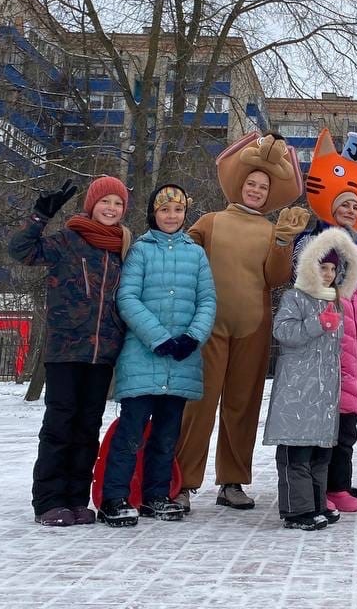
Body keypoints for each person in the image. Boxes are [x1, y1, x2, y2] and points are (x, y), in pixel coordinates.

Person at [174, 133, 310, 513]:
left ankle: (232, 481)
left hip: (254, 326)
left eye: (262, 186)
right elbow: (181, 259)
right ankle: (182, 482)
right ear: (240, 184)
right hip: (209, 326)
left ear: (269, 194)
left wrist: (283, 241)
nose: (255, 190)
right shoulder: (210, 221)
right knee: (198, 404)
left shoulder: (271, 230)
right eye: (251, 183)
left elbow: (276, 278)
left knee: (242, 404)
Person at [8, 175, 132, 527]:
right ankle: (48, 501)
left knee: (87, 428)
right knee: (59, 426)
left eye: (118, 203)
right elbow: (21, 251)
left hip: (104, 352)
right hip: (65, 350)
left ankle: (76, 499)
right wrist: (38, 217)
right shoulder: (67, 241)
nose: (111, 208)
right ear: (91, 205)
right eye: (105, 201)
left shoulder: (123, 248)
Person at [99, 184, 216, 527]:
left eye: (177, 210)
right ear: (154, 212)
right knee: (132, 432)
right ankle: (115, 496)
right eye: (164, 210)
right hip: (143, 357)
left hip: (182, 360)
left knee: (167, 435)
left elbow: (207, 300)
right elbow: (128, 298)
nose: (171, 216)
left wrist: (193, 337)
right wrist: (158, 338)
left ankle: (156, 495)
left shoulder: (195, 254)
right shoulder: (140, 251)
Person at [295, 129, 357, 515]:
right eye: (344, 204)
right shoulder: (311, 240)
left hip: (353, 346)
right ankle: (318, 486)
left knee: (348, 426)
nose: (350, 210)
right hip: (322, 344)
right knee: (323, 423)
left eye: (356, 206)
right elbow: (302, 283)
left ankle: (340, 484)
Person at [263, 226, 357, 530]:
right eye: (323, 266)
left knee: (320, 453)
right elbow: (283, 332)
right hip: (297, 392)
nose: (329, 273)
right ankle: (297, 510)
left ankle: (317, 503)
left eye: (334, 268)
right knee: (297, 451)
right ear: (309, 265)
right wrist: (317, 323)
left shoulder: (334, 301)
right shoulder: (296, 297)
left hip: (323, 394)